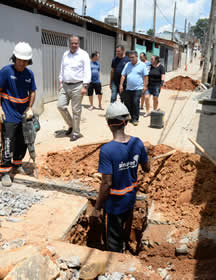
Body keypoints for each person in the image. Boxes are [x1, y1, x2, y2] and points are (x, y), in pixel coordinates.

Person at [91, 102, 150, 252]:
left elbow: (107, 183)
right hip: (130, 199)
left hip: (114, 205)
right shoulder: (137, 143)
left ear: (108, 123)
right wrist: (141, 155)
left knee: (112, 240)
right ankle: (124, 247)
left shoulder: (107, 150)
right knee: (126, 226)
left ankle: (116, 264)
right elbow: (147, 168)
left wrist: (97, 209)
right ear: (126, 122)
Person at [0, 42, 37, 187]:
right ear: (14, 58)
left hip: (22, 115)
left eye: (25, 61)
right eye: (19, 60)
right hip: (8, 115)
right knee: (7, 143)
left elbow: (32, 91)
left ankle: (17, 164)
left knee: (23, 141)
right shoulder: (6, 71)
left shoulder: (29, 74)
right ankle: (4, 171)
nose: (22, 63)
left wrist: (30, 108)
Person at [58, 36, 91, 142]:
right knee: (60, 106)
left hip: (78, 85)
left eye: (76, 43)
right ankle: (71, 125)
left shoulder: (83, 54)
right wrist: (60, 82)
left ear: (78, 44)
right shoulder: (65, 54)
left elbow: (87, 71)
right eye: (72, 43)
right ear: (69, 43)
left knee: (76, 110)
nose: (74, 45)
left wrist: (85, 86)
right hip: (65, 85)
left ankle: (76, 133)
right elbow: (62, 69)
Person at [119, 51, 148, 126]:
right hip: (129, 88)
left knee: (135, 102)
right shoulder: (128, 65)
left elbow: (145, 76)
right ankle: (131, 117)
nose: (131, 59)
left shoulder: (142, 65)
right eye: (130, 57)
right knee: (127, 103)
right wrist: (121, 85)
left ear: (136, 57)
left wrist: (145, 86)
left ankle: (135, 119)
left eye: (132, 57)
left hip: (138, 88)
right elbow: (123, 75)